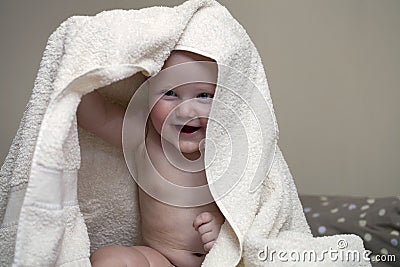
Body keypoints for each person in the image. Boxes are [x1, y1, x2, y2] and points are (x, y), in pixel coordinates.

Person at [77, 50, 225, 267]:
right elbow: (96, 116)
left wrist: (226, 233)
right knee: (110, 259)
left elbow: (254, 209)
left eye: (203, 95)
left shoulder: (228, 149)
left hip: (223, 260)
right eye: (170, 93)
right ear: (147, 91)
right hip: (161, 259)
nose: (184, 111)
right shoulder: (144, 136)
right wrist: (78, 69)